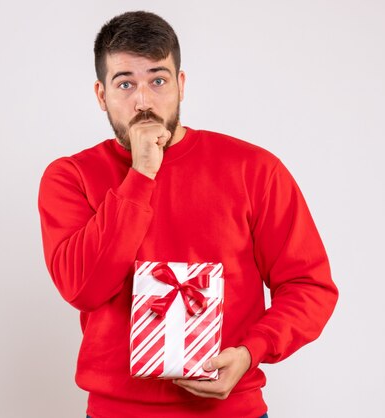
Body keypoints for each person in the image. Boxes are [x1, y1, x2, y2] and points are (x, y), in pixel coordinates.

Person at [38, 10, 338, 418]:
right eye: (125, 83)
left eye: (158, 81)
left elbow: (309, 286)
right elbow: (84, 288)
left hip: (232, 411)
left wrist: (252, 352)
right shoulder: (69, 177)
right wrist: (142, 173)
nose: (143, 101)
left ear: (180, 85)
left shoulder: (254, 169)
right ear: (101, 95)